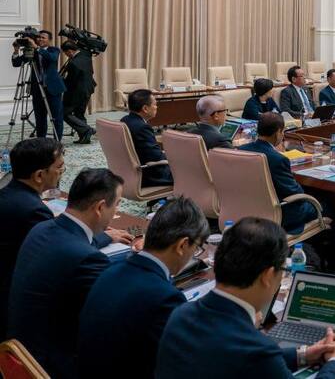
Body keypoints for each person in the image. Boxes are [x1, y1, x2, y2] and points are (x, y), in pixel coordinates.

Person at [155, 218, 335, 379]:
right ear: (268, 275)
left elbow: (227, 358)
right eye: (283, 270)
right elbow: (254, 359)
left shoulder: (180, 315)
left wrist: (303, 355)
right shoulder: (255, 349)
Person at [8, 169, 124, 379]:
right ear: (100, 207)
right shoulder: (87, 258)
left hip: (18, 353)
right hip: (51, 366)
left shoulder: (41, 229)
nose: (117, 209)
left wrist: (106, 237)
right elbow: (114, 313)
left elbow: (73, 243)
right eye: (117, 204)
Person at [77, 197, 210, 379]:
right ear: (182, 245)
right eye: (196, 248)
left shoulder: (110, 269)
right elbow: (180, 361)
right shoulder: (165, 298)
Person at [0, 138, 67, 337]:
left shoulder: (7, 193)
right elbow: (58, 251)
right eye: (59, 167)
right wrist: (103, 237)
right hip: (14, 301)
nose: (62, 172)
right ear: (39, 175)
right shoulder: (33, 211)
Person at [239, 113, 319, 232]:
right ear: (278, 132)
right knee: (326, 204)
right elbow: (295, 192)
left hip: (248, 209)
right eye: (283, 132)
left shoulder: (241, 150)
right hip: (279, 214)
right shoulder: (278, 159)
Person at [11, 29, 65, 140]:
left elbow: (51, 58)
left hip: (53, 89)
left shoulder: (54, 50)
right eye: (39, 37)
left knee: (56, 117)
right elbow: (17, 63)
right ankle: (41, 141)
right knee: (40, 118)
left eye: (43, 38)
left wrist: (36, 48)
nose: (40, 39)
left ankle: (57, 142)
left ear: (49, 40)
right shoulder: (33, 51)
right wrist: (16, 51)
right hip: (37, 89)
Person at [121, 89, 172, 186]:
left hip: (129, 171)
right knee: (190, 171)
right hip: (151, 174)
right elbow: (157, 157)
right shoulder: (142, 127)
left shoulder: (125, 120)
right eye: (155, 104)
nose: (156, 107)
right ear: (145, 108)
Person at [60, 40, 96, 144]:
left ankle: (87, 129)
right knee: (79, 114)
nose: (66, 55)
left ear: (70, 51)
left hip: (77, 92)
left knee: (64, 113)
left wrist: (61, 81)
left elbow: (71, 81)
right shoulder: (86, 56)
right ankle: (85, 137)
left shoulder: (73, 63)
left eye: (66, 53)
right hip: (88, 89)